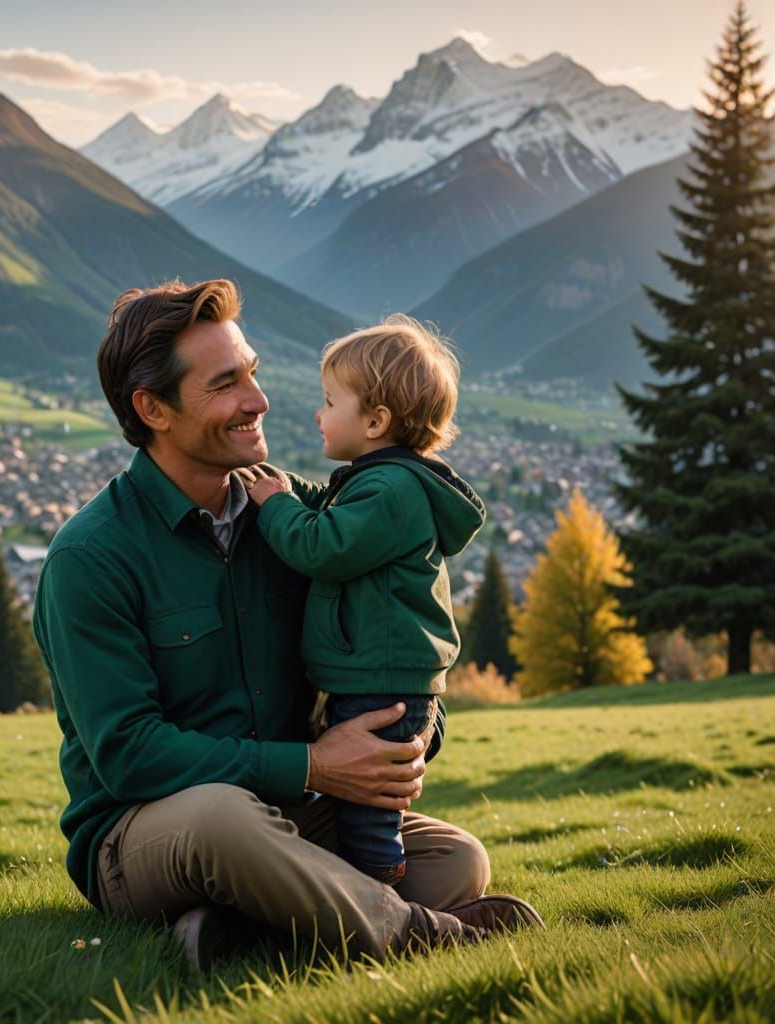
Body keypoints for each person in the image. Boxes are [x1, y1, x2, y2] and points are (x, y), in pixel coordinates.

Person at [33, 278, 543, 971]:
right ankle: (421, 935)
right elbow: (130, 755)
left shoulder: (295, 516)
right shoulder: (90, 557)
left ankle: (235, 931)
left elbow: (386, 642)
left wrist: (403, 742)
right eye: (226, 384)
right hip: (147, 831)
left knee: (457, 861)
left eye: (252, 372)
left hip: (292, 811)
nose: (259, 400)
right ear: (152, 409)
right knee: (223, 819)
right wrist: (314, 765)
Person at [245, 316, 482, 887]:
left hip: (380, 684)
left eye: (330, 402)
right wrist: (287, 488)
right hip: (381, 677)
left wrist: (274, 507)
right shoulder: (377, 482)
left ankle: (377, 893)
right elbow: (331, 507)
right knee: (362, 805)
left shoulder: (389, 490)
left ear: (375, 421)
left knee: (367, 809)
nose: (318, 414)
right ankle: (371, 889)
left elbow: (321, 546)